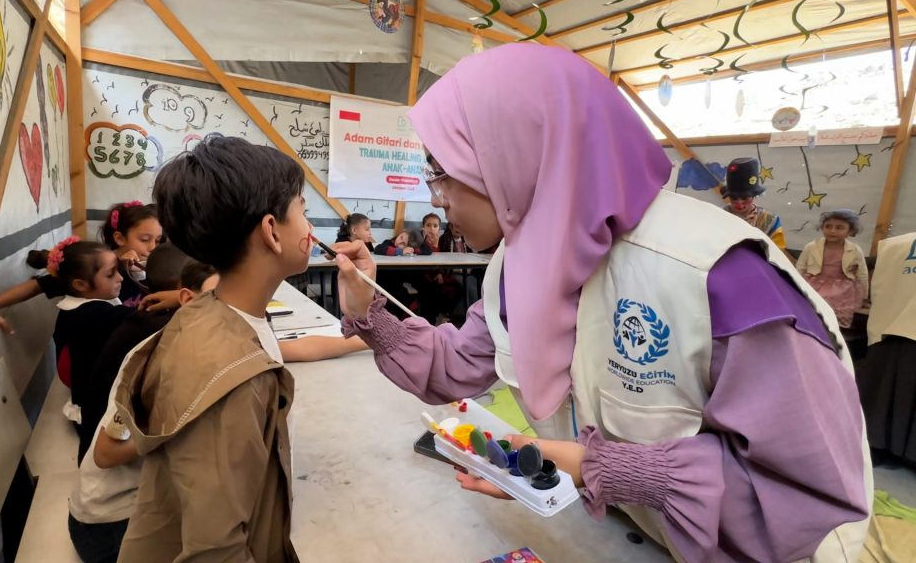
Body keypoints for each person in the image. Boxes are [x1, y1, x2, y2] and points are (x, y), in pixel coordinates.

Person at [332, 44, 871, 562]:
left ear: (515, 151)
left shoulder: (719, 276)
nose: (436, 197)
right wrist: (369, 312)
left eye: (442, 169)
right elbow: (459, 363)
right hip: (643, 535)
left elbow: (804, 491)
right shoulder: (518, 267)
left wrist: (606, 469)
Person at [115, 135, 308, 562]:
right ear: (272, 231)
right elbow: (215, 550)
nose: (311, 229)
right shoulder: (230, 377)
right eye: (304, 211)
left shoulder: (206, 313)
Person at [68, 254, 220, 563]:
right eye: (217, 301)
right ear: (187, 298)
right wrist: (184, 426)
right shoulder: (164, 357)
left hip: (139, 504)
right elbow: (106, 453)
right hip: (112, 524)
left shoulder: (195, 339)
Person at [0, 201, 163, 334]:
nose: (153, 247)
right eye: (144, 239)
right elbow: (37, 286)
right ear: (120, 238)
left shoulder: (152, 266)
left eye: (158, 240)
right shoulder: (95, 267)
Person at [30, 237, 133, 464]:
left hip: (87, 392)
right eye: (111, 274)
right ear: (80, 285)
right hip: (93, 411)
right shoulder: (92, 315)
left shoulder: (79, 305)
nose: (120, 278)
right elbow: (141, 320)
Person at [858, 231, 916, 466]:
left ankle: (877, 445)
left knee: (882, 394)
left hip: (889, 328)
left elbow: (880, 289)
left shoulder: (895, 245)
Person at [796, 210, 869, 329]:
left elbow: (862, 273)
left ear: (850, 231)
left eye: (839, 228)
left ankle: (831, 331)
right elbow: (800, 267)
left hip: (842, 288)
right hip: (814, 284)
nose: (832, 231)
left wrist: (865, 297)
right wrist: (793, 286)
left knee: (830, 316)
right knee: (811, 309)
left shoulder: (855, 250)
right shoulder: (811, 246)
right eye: (828, 226)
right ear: (822, 228)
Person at [721, 158, 788, 253]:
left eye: (745, 198)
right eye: (734, 198)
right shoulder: (719, 216)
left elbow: (778, 254)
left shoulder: (770, 221)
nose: (739, 203)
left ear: (754, 195)